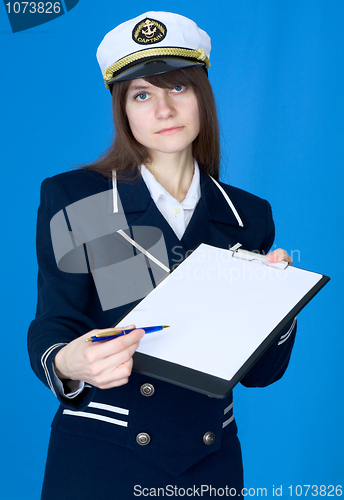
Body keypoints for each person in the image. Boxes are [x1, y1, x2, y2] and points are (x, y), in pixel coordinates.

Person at [28, 11, 296, 499]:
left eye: (178, 88)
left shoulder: (246, 216)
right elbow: (54, 322)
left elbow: (260, 374)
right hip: (100, 460)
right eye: (143, 95)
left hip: (210, 463)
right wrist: (72, 362)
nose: (164, 110)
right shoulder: (79, 199)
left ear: (202, 96)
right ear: (123, 110)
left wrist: (280, 306)